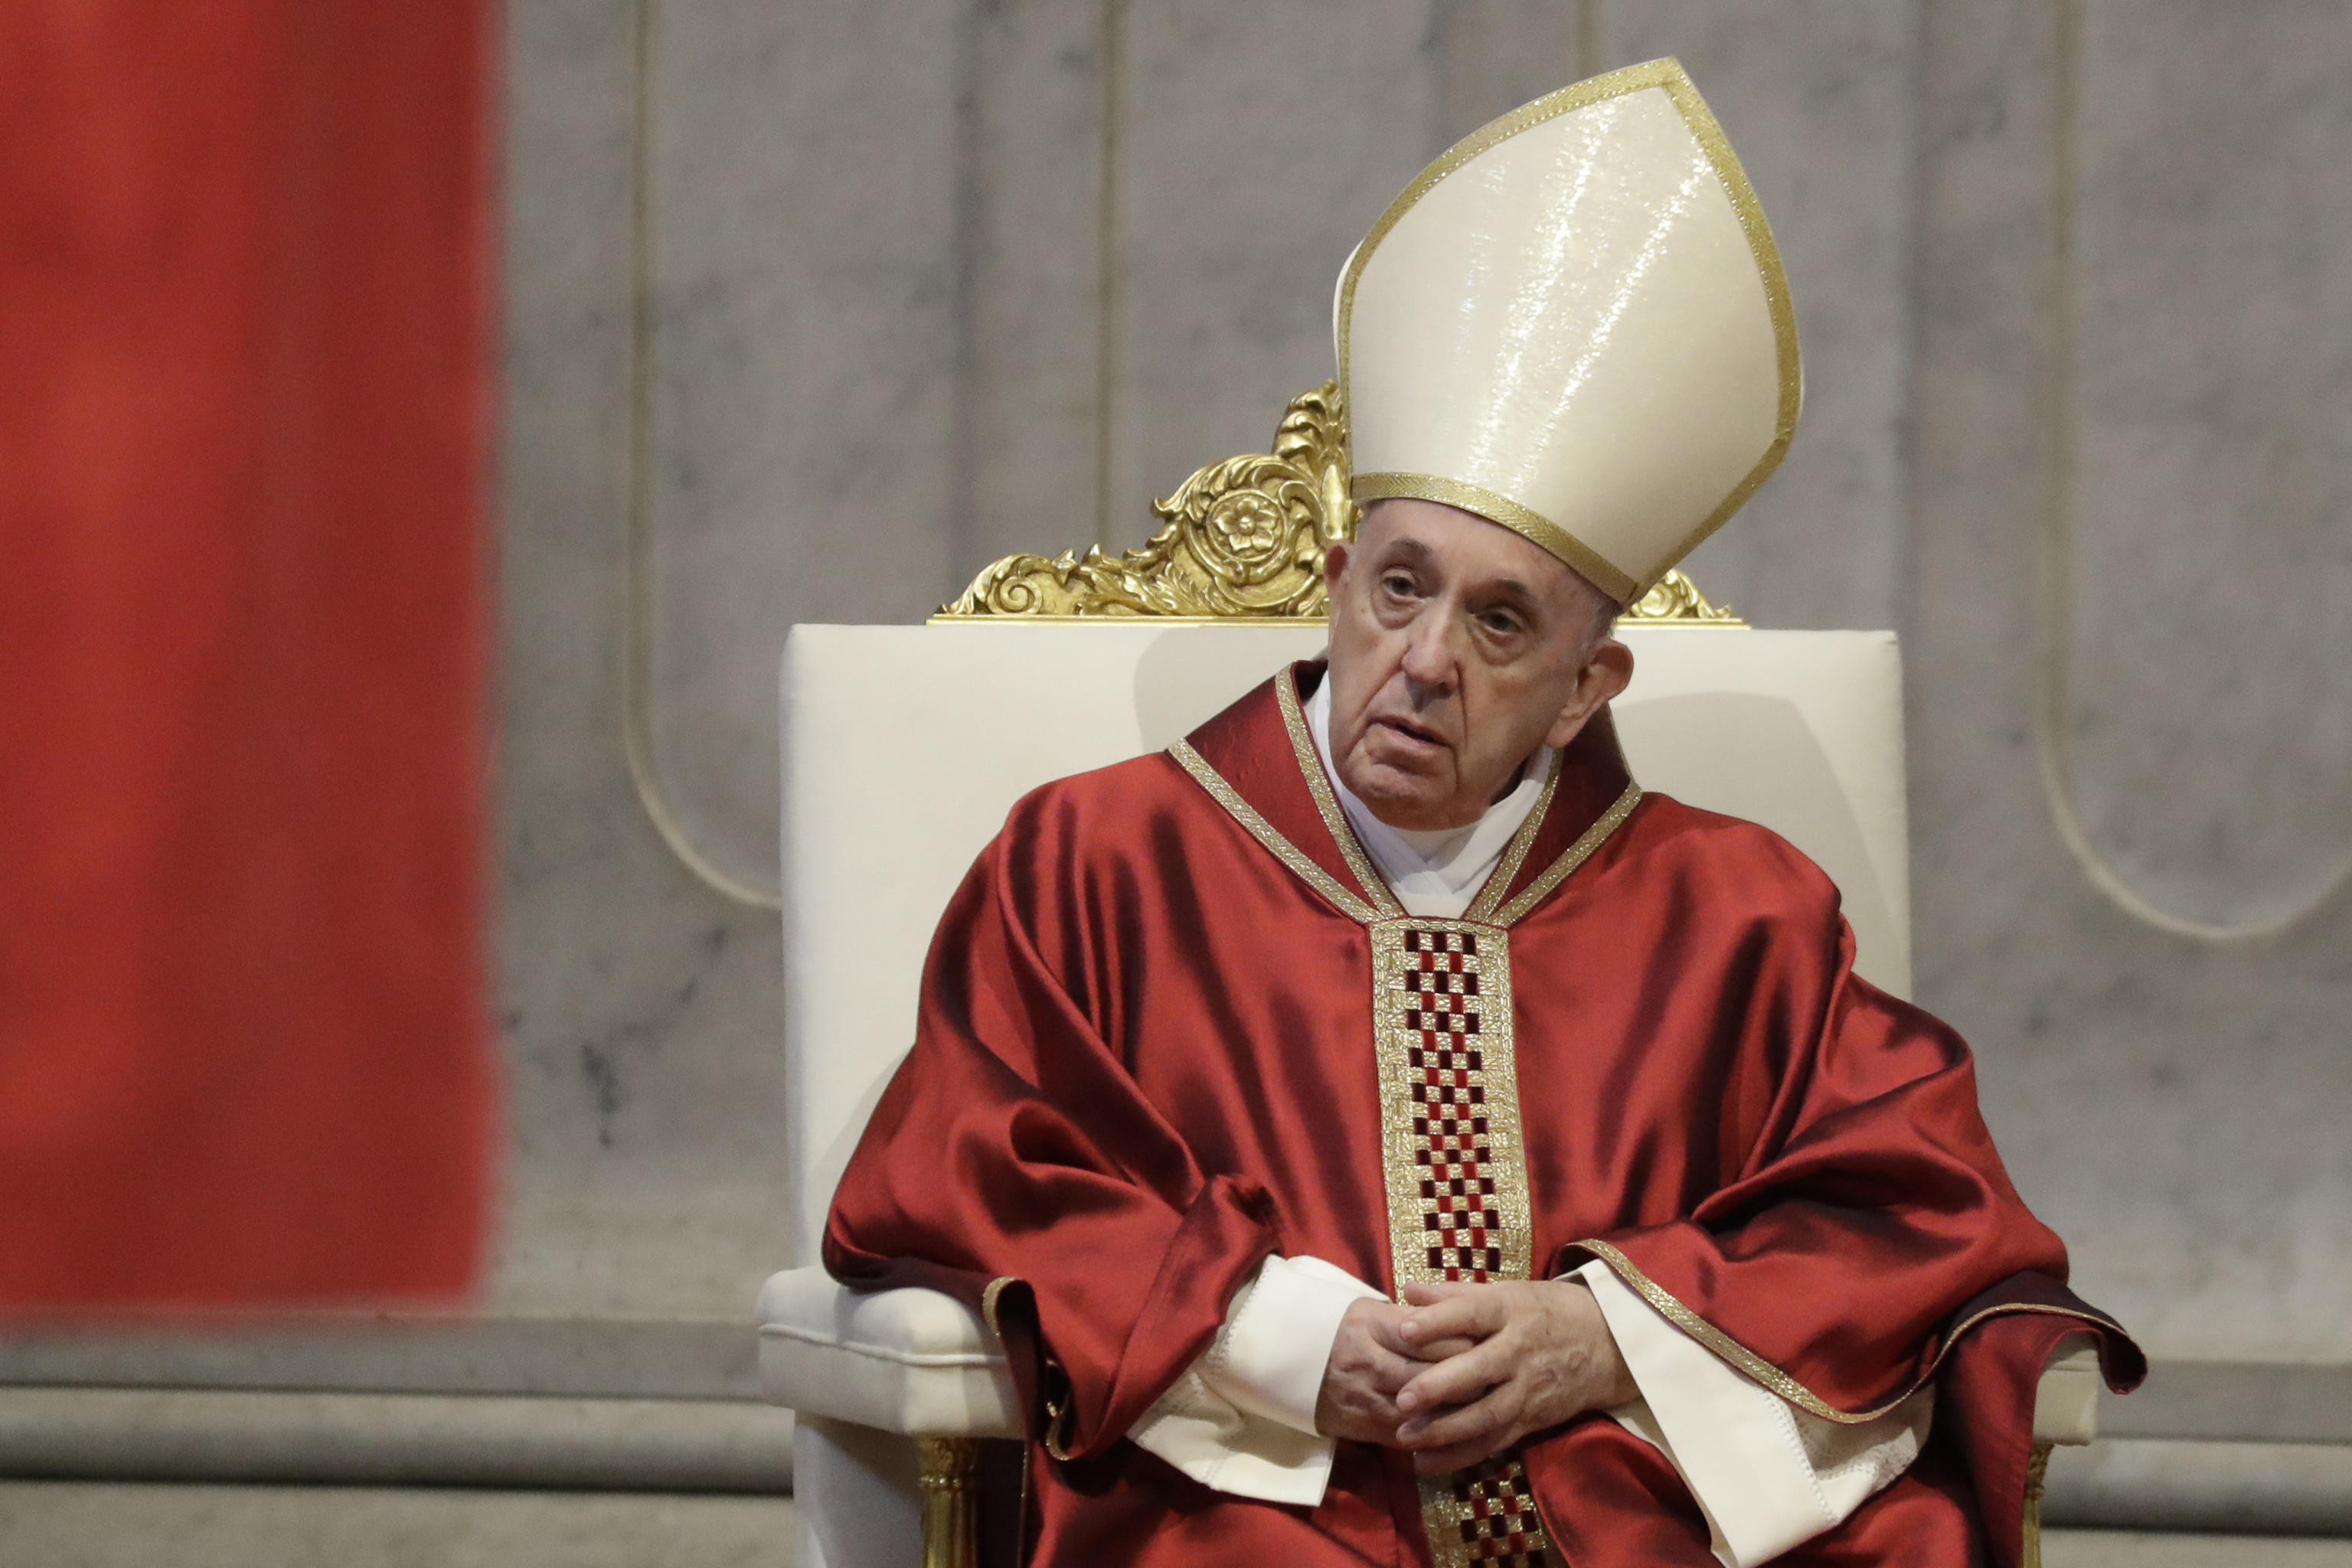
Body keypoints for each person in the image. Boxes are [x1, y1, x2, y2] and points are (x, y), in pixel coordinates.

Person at [824, 57, 2140, 1568]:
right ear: (1336, 585)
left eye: (1503, 623)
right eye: (1400, 590)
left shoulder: (1743, 912)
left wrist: (1609, 1330)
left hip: (1639, 1505)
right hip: (1261, 1503)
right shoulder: (1099, 862)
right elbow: (969, 1157)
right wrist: (1287, 1337)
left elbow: (1923, 1211)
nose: (1427, 663)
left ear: (1590, 686)